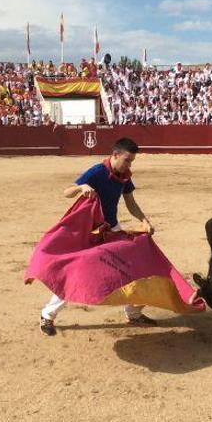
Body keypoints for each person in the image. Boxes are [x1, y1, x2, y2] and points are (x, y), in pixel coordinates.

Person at [39, 137, 157, 336]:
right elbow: (66, 192)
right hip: (89, 233)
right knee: (74, 274)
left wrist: (144, 220)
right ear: (115, 155)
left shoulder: (124, 175)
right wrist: (81, 187)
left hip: (111, 228)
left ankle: (132, 313)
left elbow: (130, 202)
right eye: (126, 160)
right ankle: (47, 315)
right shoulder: (97, 171)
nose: (128, 165)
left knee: (129, 268)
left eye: (131, 161)